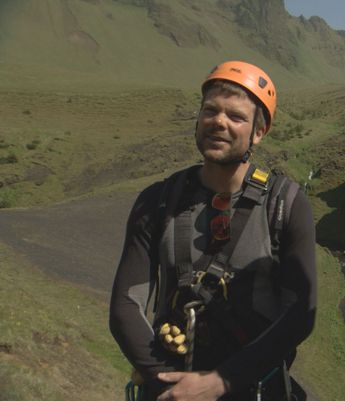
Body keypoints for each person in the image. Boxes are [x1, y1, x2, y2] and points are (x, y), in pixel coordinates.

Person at [110, 60, 317, 401]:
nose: (219, 122)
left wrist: (220, 382)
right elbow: (124, 306)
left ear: (258, 133)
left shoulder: (286, 205)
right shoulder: (157, 201)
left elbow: (299, 315)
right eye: (210, 110)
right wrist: (170, 386)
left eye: (236, 116)